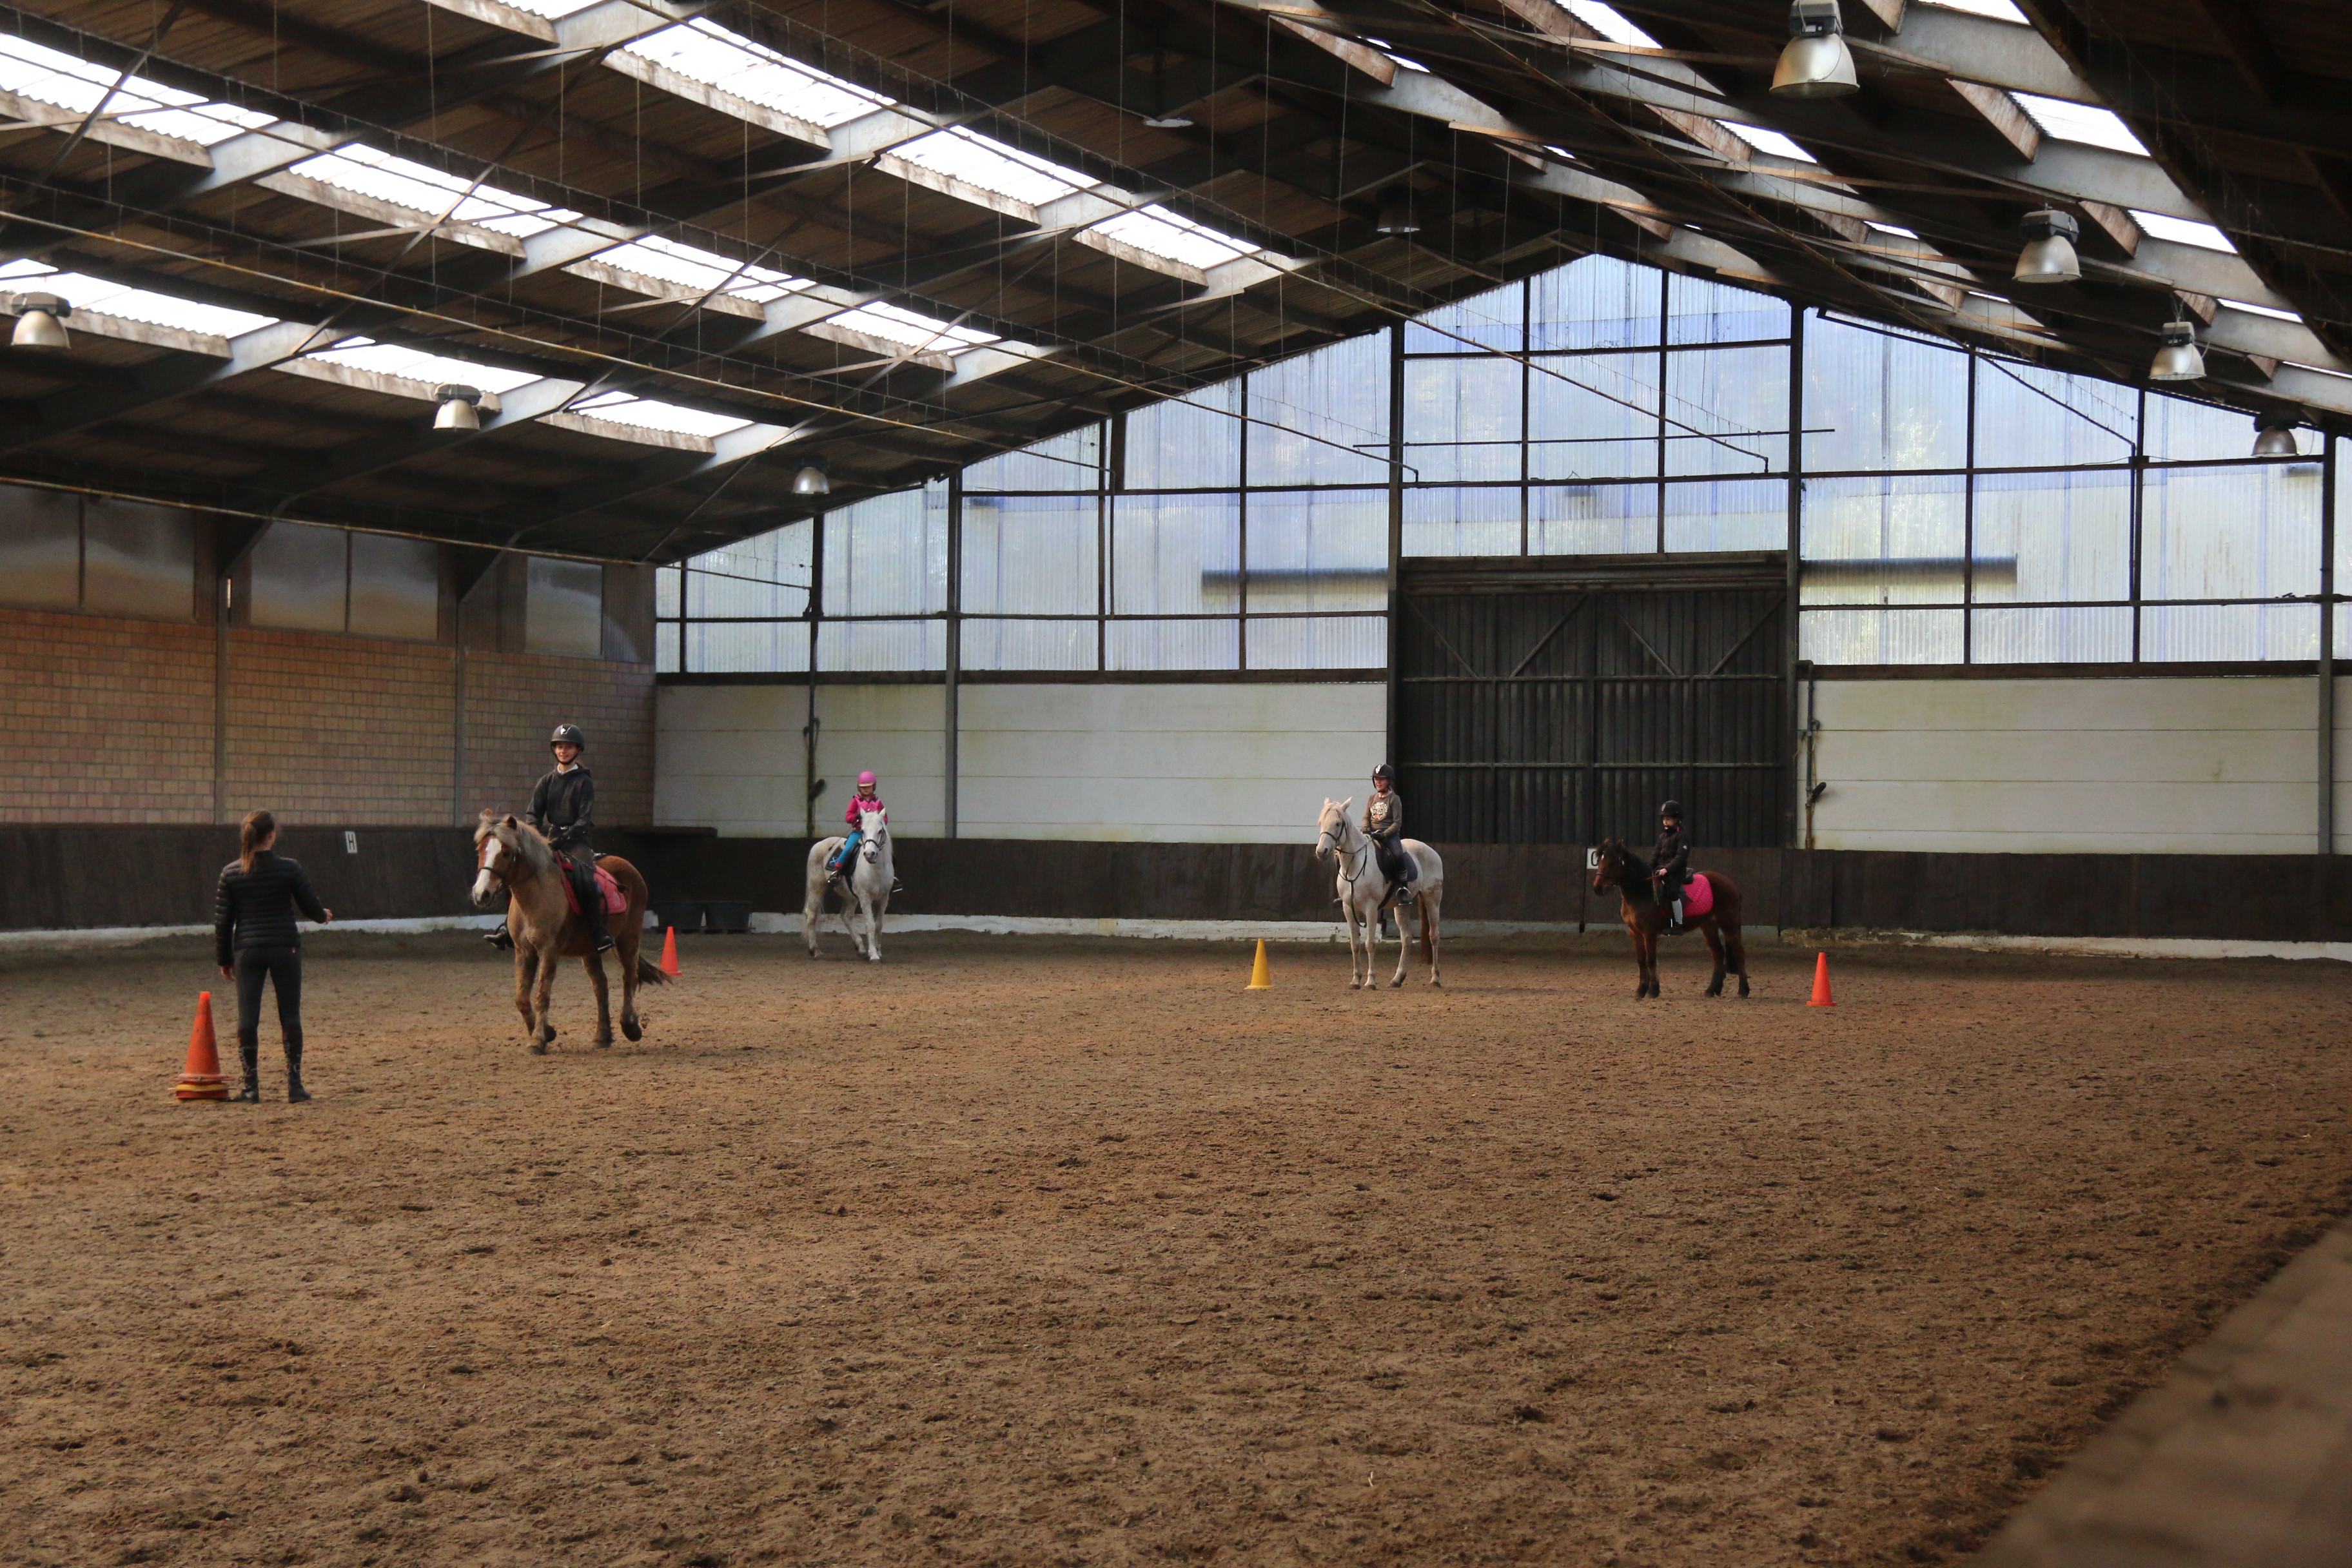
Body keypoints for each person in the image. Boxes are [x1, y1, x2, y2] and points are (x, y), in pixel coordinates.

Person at [213, 808, 332, 1104]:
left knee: (247, 1018)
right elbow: (311, 906)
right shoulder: (289, 868)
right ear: (271, 836)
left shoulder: (231, 873)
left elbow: (223, 922)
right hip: (284, 948)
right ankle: (294, 1085)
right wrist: (323, 916)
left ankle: (251, 1087)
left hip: (248, 950)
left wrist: (224, 959)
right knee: (290, 1015)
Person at [828, 771, 901, 892]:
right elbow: (848, 817)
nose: (866, 790)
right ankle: (836, 871)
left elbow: (885, 818)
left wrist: (879, 822)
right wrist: (856, 816)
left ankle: (891, 879)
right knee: (848, 849)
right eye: (863, 788)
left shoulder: (878, 802)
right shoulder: (856, 801)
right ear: (859, 788)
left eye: (868, 787)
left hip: (874, 835)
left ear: (874, 787)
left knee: (889, 853)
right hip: (859, 832)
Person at [1362, 763, 1416, 906]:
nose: (1378, 782)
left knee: (1398, 855)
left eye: (1382, 779)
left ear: (1389, 781)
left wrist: (1385, 835)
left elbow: (1397, 823)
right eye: (1376, 779)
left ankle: (1404, 888)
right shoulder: (1371, 798)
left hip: (1389, 836)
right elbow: (1366, 817)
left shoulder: (1394, 799)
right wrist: (1366, 827)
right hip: (1372, 834)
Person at [1651, 799, 1691, 929]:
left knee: (1673, 892)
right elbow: (1656, 855)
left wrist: (1667, 869)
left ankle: (1678, 923)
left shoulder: (1682, 836)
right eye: (1664, 819)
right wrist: (1648, 868)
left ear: (1677, 819)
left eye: (1668, 819)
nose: (1665, 822)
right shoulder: (1662, 836)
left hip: (1676, 871)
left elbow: (1681, 857)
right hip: (1661, 869)